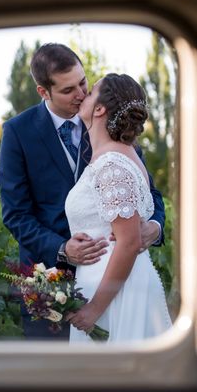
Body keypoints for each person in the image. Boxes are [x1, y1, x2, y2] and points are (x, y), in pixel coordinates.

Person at [0, 43, 166, 339]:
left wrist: (154, 227)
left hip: (117, 284)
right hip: (50, 285)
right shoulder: (18, 132)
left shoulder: (113, 126)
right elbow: (16, 214)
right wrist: (62, 249)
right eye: (68, 90)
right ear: (43, 92)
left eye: (83, 83)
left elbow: (148, 193)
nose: (80, 94)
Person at [66, 73, 172, 342]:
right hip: (108, 284)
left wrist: (93, 309)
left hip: (115, 294)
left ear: (100, 109)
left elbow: (127, 241)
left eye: (90, 93)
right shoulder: (118, 156)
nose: (83, 95)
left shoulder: (112, 164)